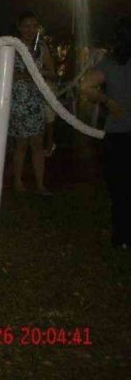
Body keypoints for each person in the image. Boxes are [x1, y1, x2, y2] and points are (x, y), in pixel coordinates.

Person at [81, 15, 131, 249]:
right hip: (120, 133)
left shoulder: (110, 63)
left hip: (118, 134)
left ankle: (122, 236)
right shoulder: (110, 64)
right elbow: (86, 86)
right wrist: (108, 101)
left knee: (120, 188)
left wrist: (106, 100)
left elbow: (86, 86)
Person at [8, 11, 56, 194]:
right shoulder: (12, 47)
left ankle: (40, 183)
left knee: (37, 143)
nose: (31, 30)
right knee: (21, 143)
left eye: (34, 26)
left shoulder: (41, 48)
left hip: (35, 100)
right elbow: (5, 74)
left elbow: (52, 72)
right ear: (19, 27)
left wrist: (39, 72)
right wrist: (26, 75)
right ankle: (18, 181)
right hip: (18, 101)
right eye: (27, 26)